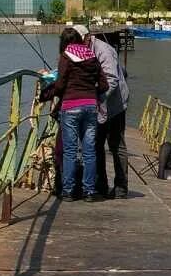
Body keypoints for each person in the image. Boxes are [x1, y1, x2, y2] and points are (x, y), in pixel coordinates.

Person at [41, 27, 107, 203]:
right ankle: (89, 191)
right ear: (79, 39)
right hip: (90, 107)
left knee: (70, 151)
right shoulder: (92, 56)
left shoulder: (66, 56)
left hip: (70, 106)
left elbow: (61, 85)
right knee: (89, 151)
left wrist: (49, 87)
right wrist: (90, 91)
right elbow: (104, 85)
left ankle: (68, 191)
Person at [73, 25, 130, 199]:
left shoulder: (103, 51)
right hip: (94, 105)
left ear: (88, 37)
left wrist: (95, 98)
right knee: (95, 144)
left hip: (114, 104)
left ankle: (121, 187)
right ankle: (100, 184)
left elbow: (112, 79)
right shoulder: (79, 49)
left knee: (116, 145)